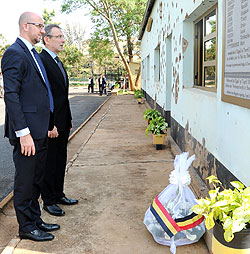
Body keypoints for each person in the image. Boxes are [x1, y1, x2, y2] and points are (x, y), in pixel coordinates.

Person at [1, 12, 59, 241]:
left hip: (39, 130)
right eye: (40, 26)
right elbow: (11, 95)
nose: (43, 31)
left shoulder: (32, 53)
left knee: (36, 179)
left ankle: (35, 220)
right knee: (25, 182)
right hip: (27, 134)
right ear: (26, 26)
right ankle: (26, 228)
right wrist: (23, 133)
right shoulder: (14, 53)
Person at [39, 24, 78, 217]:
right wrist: (50, 123)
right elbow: (44, 96)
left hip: (63, 122)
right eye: (59, 36)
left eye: (63, 36)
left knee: (60, 159)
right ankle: (49, 200)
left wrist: (68, 119)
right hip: (52, 124)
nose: (63, 40)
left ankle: (58, 193)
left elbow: (62, 95)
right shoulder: (42, 60)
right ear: (47, 39)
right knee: (50, 162)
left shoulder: (56, 61)